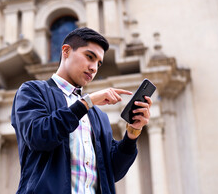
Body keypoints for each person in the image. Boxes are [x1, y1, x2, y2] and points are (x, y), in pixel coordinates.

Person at [11, 27, 152, 194]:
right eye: (89, 57)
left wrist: (132, 133)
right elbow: (39, 136)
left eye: (98, 63)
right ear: (66, 51)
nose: (94, 68)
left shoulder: (99, 116)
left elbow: (112, 172)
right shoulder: (32, 91)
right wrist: (87, 102)